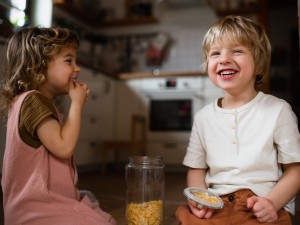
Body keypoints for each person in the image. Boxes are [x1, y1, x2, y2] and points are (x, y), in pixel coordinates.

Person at [175, 15, 300, 225]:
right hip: (216, 204)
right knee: (185, 215)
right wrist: (199, 200)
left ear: (258, 64)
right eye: (215, 53)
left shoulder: (278, 110)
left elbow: (295, 170)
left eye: (237, 51)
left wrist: (272, 203)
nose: (224, 59)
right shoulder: (203, 117)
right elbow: (196, 169)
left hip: (258, 204)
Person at [0, 27, 117, 225]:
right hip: (35, 211)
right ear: (38, 66)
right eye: (69, 61)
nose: (77, 68)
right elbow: (64, 148)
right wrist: (77, 104)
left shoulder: (32, 101)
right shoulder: (33, 101)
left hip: (38, 206)